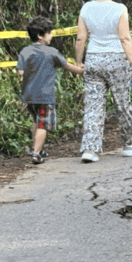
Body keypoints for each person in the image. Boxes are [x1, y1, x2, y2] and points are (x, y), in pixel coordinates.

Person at [75, 0, 132, 161]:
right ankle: (130, 144)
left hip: (93, 60)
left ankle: (90, 149)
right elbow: (124, 38)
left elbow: (81, 37)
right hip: (116, 60)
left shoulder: (86, 8)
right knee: (122, 103)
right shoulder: (120, 9)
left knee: (93, 105)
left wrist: (79, 62)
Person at [16, 16, 83, 164]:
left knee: (36, 121)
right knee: (43, 124)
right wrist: (82, 71)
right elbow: (67, 66)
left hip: (28, 94)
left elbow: (20, 72)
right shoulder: (52, 52)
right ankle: (35, 153)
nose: (51, 36)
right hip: (44, 96)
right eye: (49, 33)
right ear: (40, 36)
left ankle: (37, 149)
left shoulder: (25, 51)